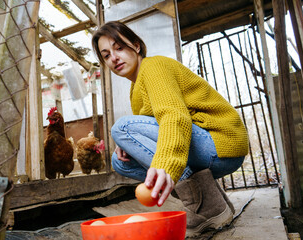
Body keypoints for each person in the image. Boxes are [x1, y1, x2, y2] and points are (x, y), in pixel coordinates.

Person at [92, 21, 248, 237]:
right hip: (205, 149)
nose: (114, 58)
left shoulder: (153, 67)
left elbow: (173, 115)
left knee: (122, 127)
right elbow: (152, 126)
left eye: (119, 48)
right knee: (120, 162)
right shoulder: (136, 86)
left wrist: (167, 164)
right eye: (106, 55)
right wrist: (128, 143)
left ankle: (202, 205)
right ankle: (212, 202)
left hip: (219, 142)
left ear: (136, 46)